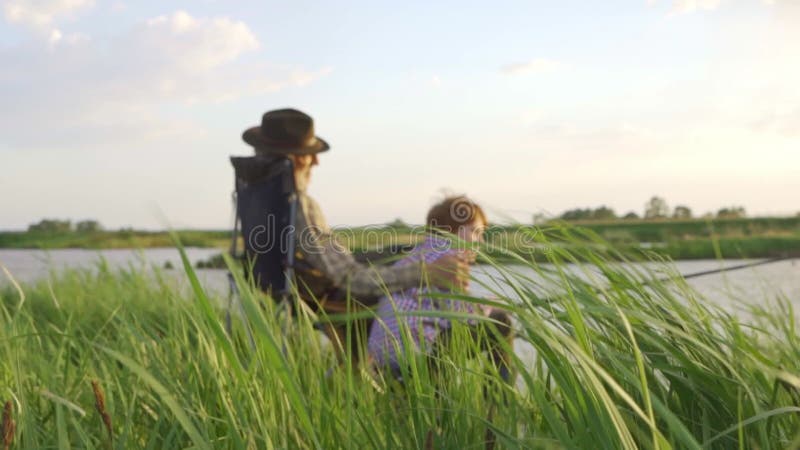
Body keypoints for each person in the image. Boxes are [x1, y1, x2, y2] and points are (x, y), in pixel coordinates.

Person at [241, 108, 468, 355]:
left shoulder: (257, 196)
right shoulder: (297, 206)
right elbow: (351, 279)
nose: (316, 162)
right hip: (331, 293)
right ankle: (425, 370)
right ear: (291, 160)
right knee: (425, 283)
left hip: (294, 285)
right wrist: (426, 272)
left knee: (395, 252)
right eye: (308, 156)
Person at [366, 195, 513, 380]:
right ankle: (500, 401)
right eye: (475, 232)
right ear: (451, 230)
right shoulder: (449, 261)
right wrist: (491, 305)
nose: (480, 241)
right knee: (502, 321)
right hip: (417, 351)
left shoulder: (420, 253)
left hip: (383, 354)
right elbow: (462, 316)